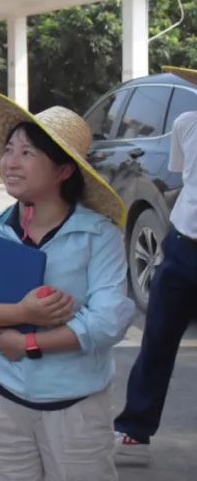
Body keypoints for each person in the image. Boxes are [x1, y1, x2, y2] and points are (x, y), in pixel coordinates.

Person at [0, 91, 134, 480]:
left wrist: (29, 342)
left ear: (63, 171)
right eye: (9, 149)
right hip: (1, 400)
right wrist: (21, 314)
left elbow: (108, 320)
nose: (10, 162)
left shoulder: (97, 235)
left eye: (28, 153)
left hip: (76, 409)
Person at [113, 65, 197, 463]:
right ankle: (135, 427)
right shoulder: (185, 122)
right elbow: (184, 175)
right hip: (183, 244)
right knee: (159, 335)